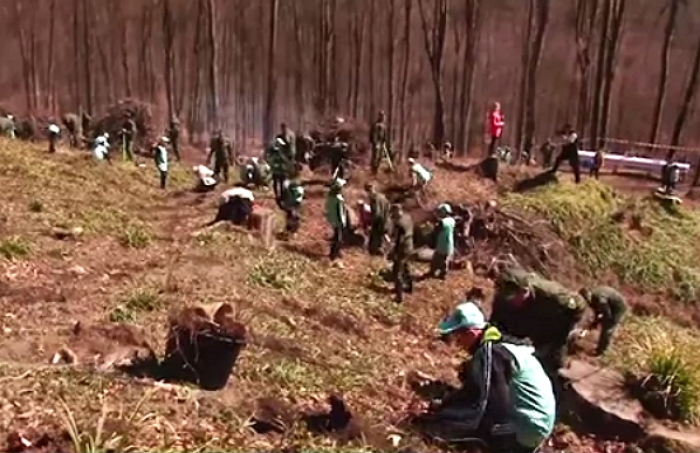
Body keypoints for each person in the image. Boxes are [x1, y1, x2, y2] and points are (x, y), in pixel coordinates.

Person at [416, 302, 555, 453]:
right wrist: (444, 404)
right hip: (538, 424)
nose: (457, 343)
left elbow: (485, 405)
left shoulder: (492, 353)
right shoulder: (503, 344)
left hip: (526, 428)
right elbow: (473, 390)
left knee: (461, 430)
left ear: (470, 333)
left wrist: (440, 421)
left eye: (458, 336)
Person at [490, 266, 587, 376]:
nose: (509, 301)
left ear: (525, 291)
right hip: (527, 322)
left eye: (513, 298)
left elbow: (579, 305)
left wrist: (565, 329)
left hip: (553, 325)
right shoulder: (503, 297)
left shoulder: (551, 294)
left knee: (551, 361)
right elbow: (494, 324)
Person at [579, 286, 628, 356]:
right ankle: (600, 348)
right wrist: (595, 321)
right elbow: (597, 312)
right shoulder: (592, 300)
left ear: (589, 294)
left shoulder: (599, 298)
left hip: (618, 308)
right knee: (604, 325)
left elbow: (607, 314)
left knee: (608, 329)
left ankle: (603, 351)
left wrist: (600, 320)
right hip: (609, 306)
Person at [389, 204, 414, 304]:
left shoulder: (398, 224)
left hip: (402, 249)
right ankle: (410, 287)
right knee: (406, 266)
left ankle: (399, 296)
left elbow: (399, 240)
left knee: (397, 271)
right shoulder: (407, 217)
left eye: (393, 214)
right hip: (410, 245)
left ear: (396, 211)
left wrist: (393, 252)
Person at [427, 203, 455, 280]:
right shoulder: (452, 220)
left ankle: (439, 273)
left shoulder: (443, 222)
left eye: (440, 212)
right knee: (444, 259)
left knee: (438, 259)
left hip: (442, 244)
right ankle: (442, 273)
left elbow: (437, 230)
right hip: (449, 243)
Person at [324, 178, 348, 264]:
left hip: (332, 219)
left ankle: (335, 253)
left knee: (336, 236)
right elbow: (341, 212)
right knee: (338, 238)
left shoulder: (330, 196)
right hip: (338, 221)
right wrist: (343, 222)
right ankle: (333, 254)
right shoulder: (339, 198)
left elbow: (327, 208)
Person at [365, 182, 390, 256]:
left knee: (375, 238)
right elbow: (388, 207)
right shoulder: (382, 196)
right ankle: (387, 248)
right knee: (382, 236)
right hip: (385, 219)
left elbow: (377, 213)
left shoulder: (374, 199)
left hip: (379, 221)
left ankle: (377, 252)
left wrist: (371, 222)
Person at [369, 110, 388, 174]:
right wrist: (375, 143)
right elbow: (373, 134)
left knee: (380, 157)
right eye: (382, 116)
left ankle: (377, 169)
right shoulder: (376, 125)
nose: (383, 118)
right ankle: (373, 171)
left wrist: (384, 141)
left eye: (383, 116)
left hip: (381, 143)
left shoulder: (383, 125)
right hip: (376, 143)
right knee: (375, 157)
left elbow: (384, 134)